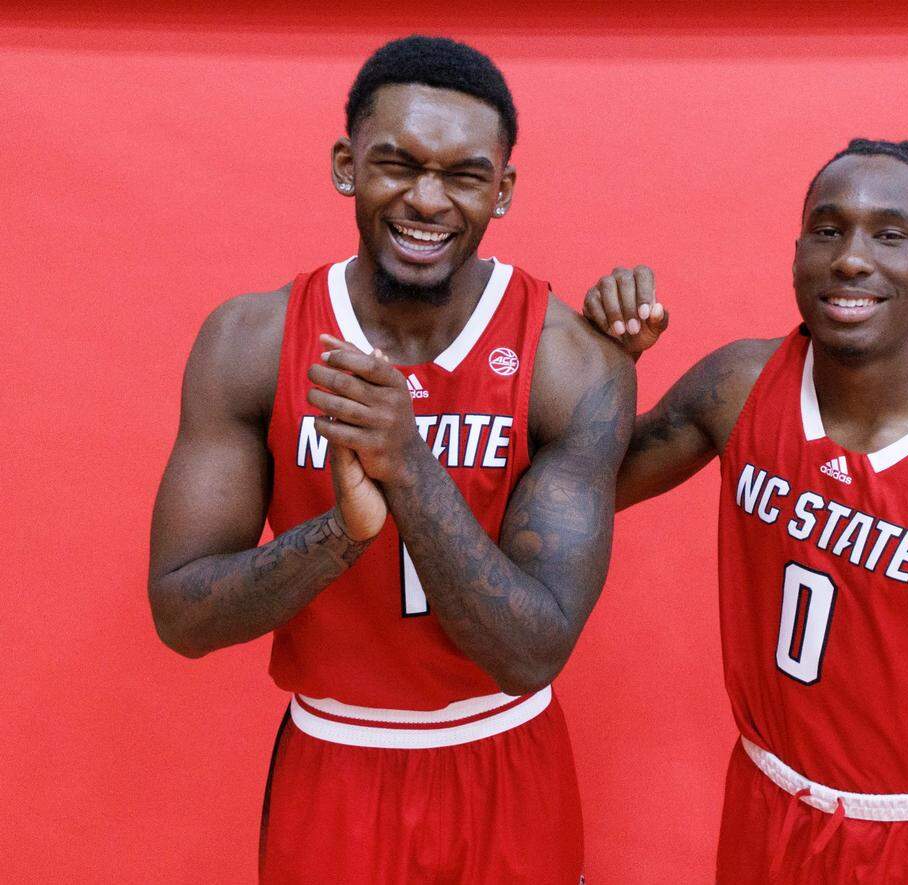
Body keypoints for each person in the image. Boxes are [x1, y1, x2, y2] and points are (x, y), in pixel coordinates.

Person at [149, 35, 634, 883]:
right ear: (346, 165)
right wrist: (341, 533)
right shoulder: (253, 341)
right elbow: (181, 615)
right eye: (396, 164)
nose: (427, 199)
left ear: (503, 190)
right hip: (336, 753)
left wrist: (407, 461)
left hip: (505, 750)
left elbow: (533, 650)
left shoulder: (567, 359)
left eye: (463, 175)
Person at [584, 139, 908, 882]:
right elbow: (577, 493)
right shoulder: (737, 386)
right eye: (828, 230)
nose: (851, 258)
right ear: (798, 250)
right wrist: (605, 362)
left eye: (889, 234)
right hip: (764, 810)